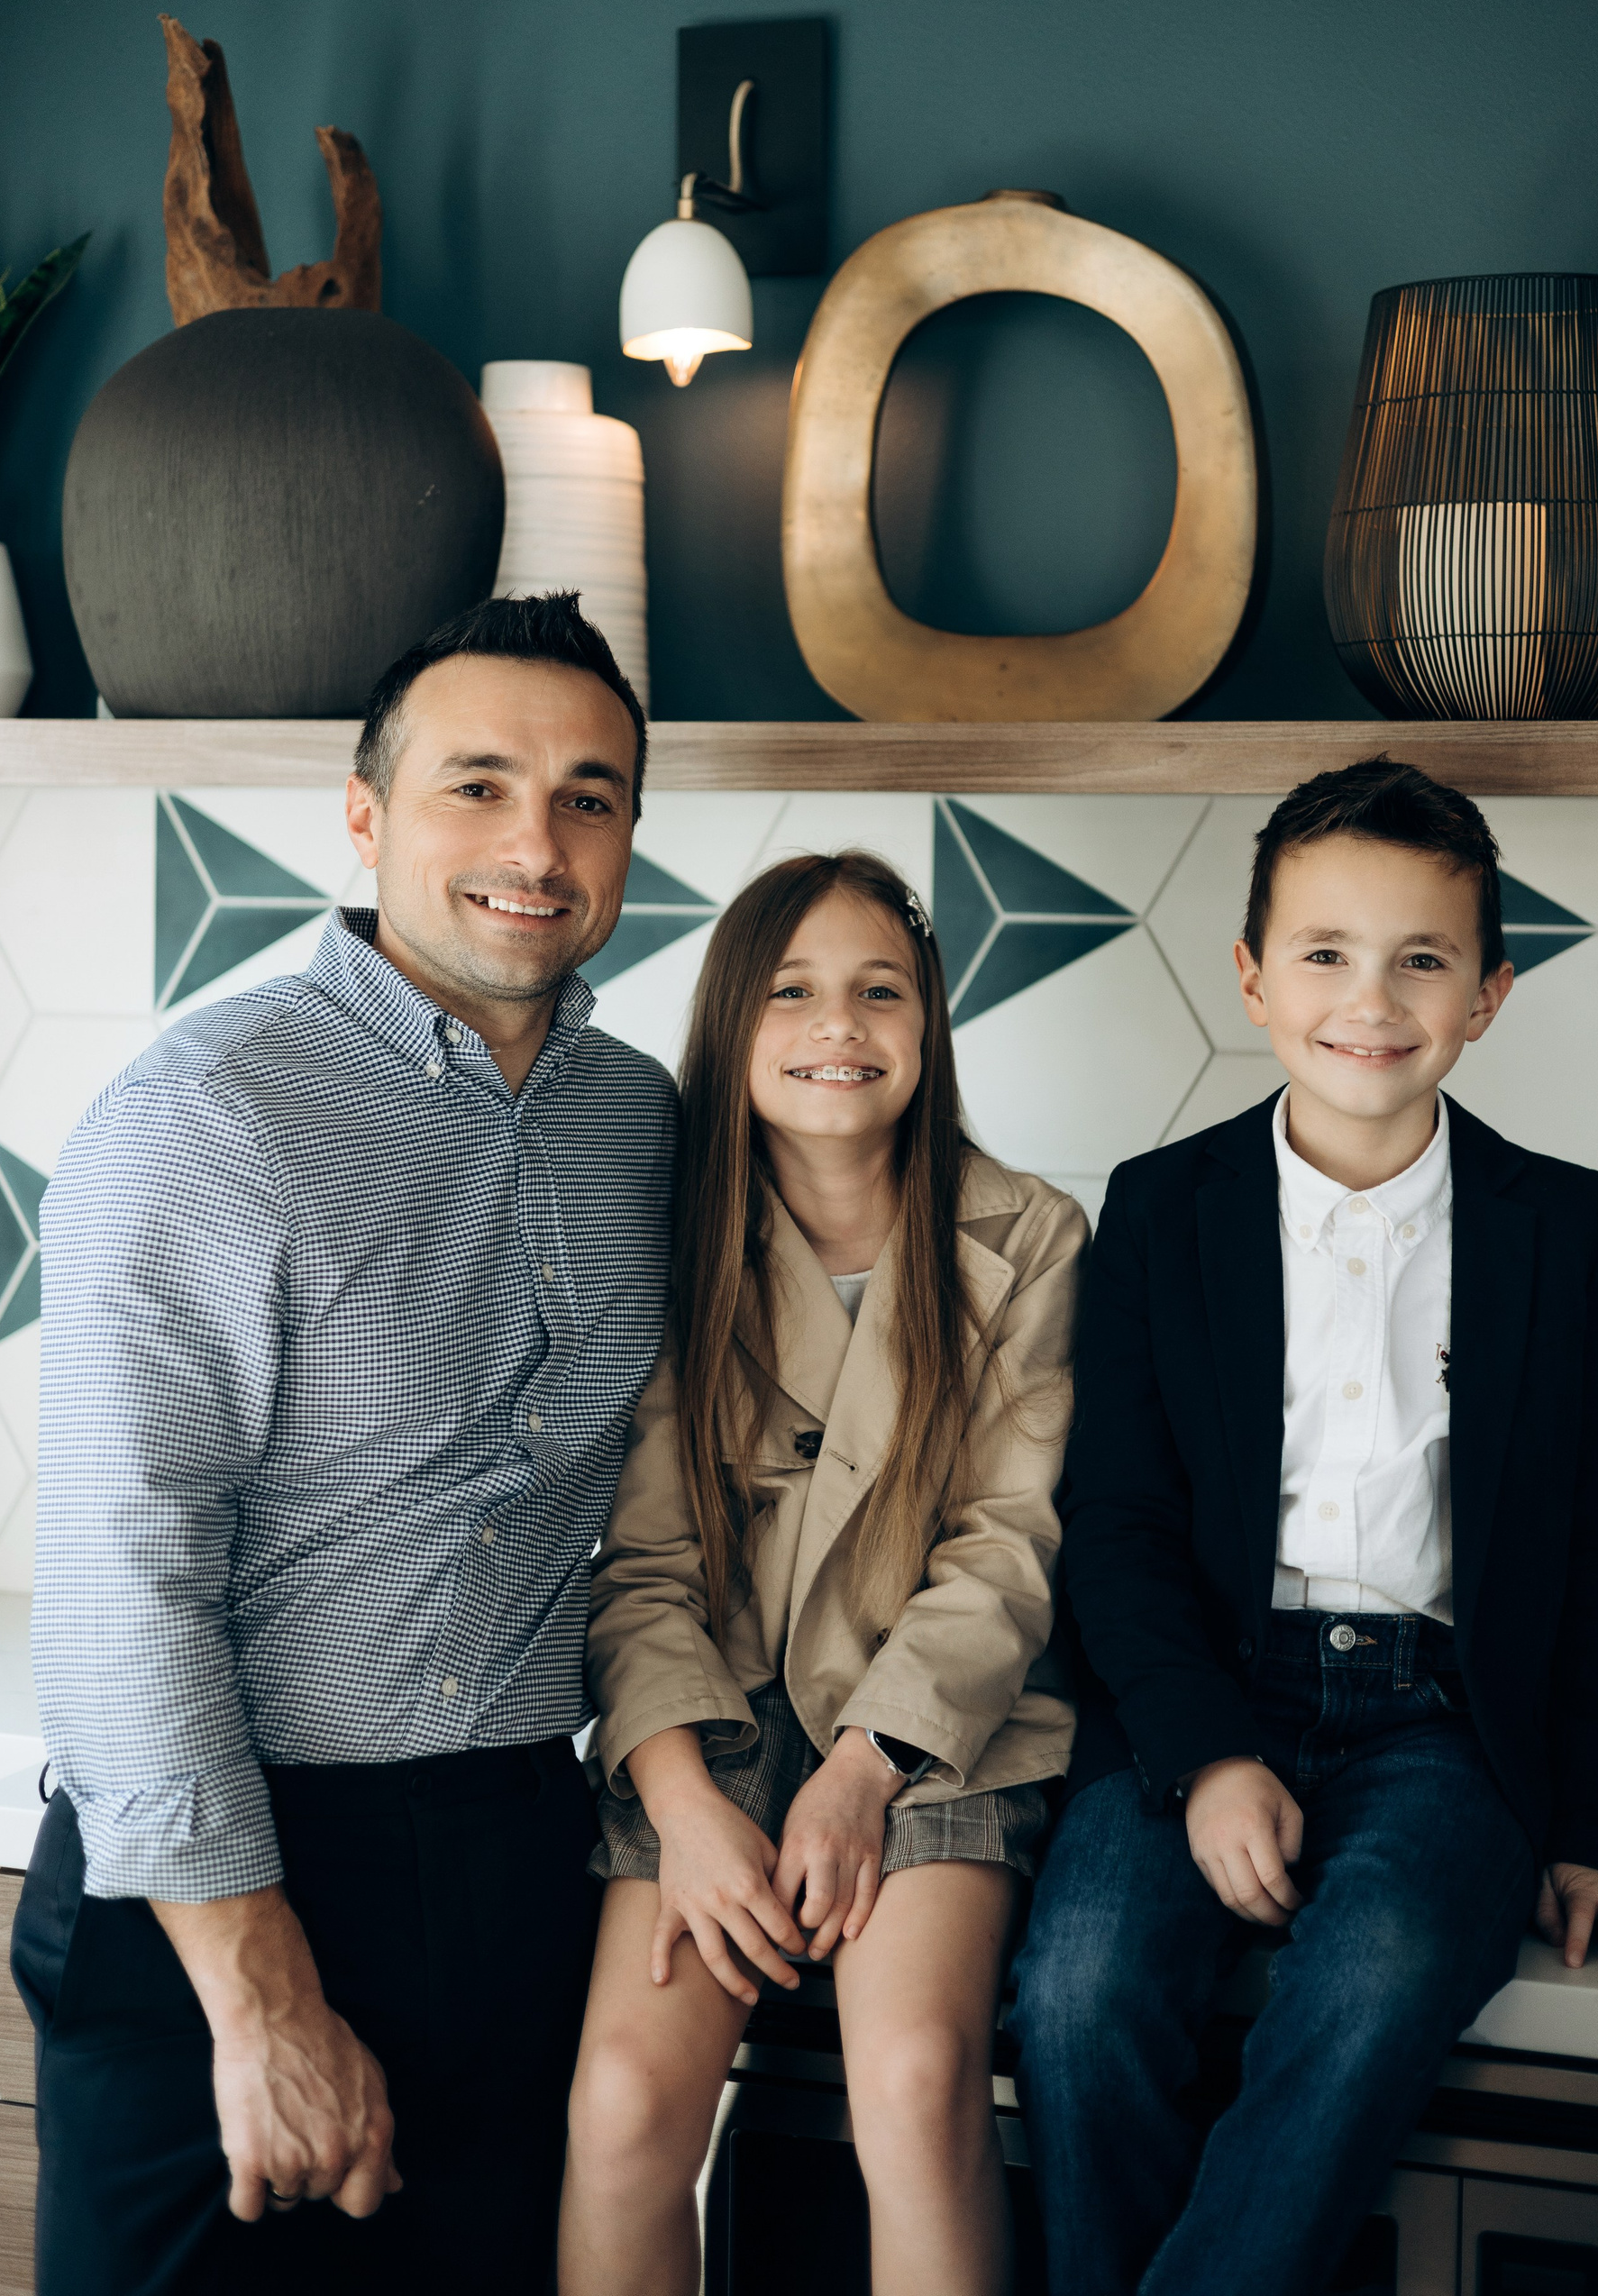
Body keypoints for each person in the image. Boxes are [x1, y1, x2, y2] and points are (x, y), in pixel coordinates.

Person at [18, 595, 677, 2295]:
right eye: (478, 786)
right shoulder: (207, 1114)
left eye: (589, 798)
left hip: (522, 1859)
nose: (536, 846)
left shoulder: (644, 1122)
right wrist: (263, 1999)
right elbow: (119, 1583)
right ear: (367, 816)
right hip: (222, 1888)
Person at [1009, 755, 1598, 2296]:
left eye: (1421, 961)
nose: (1369, 1002)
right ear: (1253, 978)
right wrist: (1203, 1756)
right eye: (1324, 954)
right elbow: (1117, 1521)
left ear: (1489, 995)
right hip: (1201, 1696)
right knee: (1080, 1992)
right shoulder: (1163, 1209)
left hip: (1446, 1725)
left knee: (1376, 1975)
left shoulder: (1562, 1226)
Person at [557, 850, 1086, 2296]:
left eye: (879, 991)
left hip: (930, 1730)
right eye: (790, 992)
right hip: (711, 1720)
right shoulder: (666, 1238)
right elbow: (643, 1567)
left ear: (931, 1022)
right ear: (733, 1022)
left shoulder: (1029, 1234)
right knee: (622, 2105)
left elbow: (1007, 1545)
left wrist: (862, 1770)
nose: (837, 1026)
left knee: (914, 2082)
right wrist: (682, 1806)